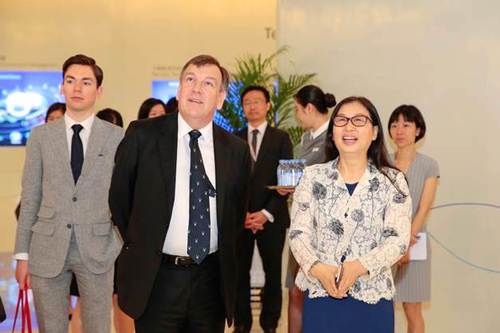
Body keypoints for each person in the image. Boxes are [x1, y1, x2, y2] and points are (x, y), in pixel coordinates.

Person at [109, 54, 251, 333]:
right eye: (190, 80)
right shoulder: (143, 135)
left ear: (220, 98)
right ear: (179, 89)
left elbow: (235, 217)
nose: (197, 89)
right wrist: (145, 244)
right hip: (157, 279)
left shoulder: (236, 150)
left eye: (208, 83)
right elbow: (119, 198)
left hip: (210, 283)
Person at [13, 54, 124, 333]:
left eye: (86, 82)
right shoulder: (41, 136)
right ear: (61, 87)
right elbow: (30, 197)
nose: (77, 88)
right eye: (70, 81)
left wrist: (118, 240)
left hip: (98, 247)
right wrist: (22, 255)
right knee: (51, 327)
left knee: (98, 326)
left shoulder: (116, 137)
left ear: (98, 90)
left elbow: (125, 196)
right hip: (47, 246)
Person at [288, 96, 412, 333]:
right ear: (332, 132)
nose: (349, 127)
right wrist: (317, 268)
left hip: (372, 296)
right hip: (321, 294)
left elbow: (397, 240)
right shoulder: (312, 177)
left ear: (374, 132)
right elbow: (298, 234)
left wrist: (360, 266)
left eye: (359, 120)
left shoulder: (393, 181)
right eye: (341, 120)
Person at [233, 85, 293, 333]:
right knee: (239, 274)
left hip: (273, 217)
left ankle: (270, 324)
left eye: (258, 101)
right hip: (241, 219)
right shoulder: (233, 138)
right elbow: (231, 183)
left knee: (272, 274)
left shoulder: (283, 138)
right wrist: (244, 214)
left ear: (268, 105)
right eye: (247, 102)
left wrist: (266, 214)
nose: (252, 106)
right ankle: (242, 323)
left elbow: (288, 182)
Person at [284, 84, 336, 333]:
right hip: (299, 223)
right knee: (295, 290)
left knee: (314, 291)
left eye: (297, 109)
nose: (297, 115)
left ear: (310, 108)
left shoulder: (334, 138)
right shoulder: (306, 138)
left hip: (322, 227)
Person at [388, 105, 439, 333]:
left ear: (418, 130)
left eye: (406, 125)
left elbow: (424, 207)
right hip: (385, 244)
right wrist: (394, 245)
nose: (399, 130)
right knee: (381, 306)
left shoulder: (429, 165)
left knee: (412, 309)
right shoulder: (381, 163)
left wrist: (406, 242)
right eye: (395, 124)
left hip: (415, 242)